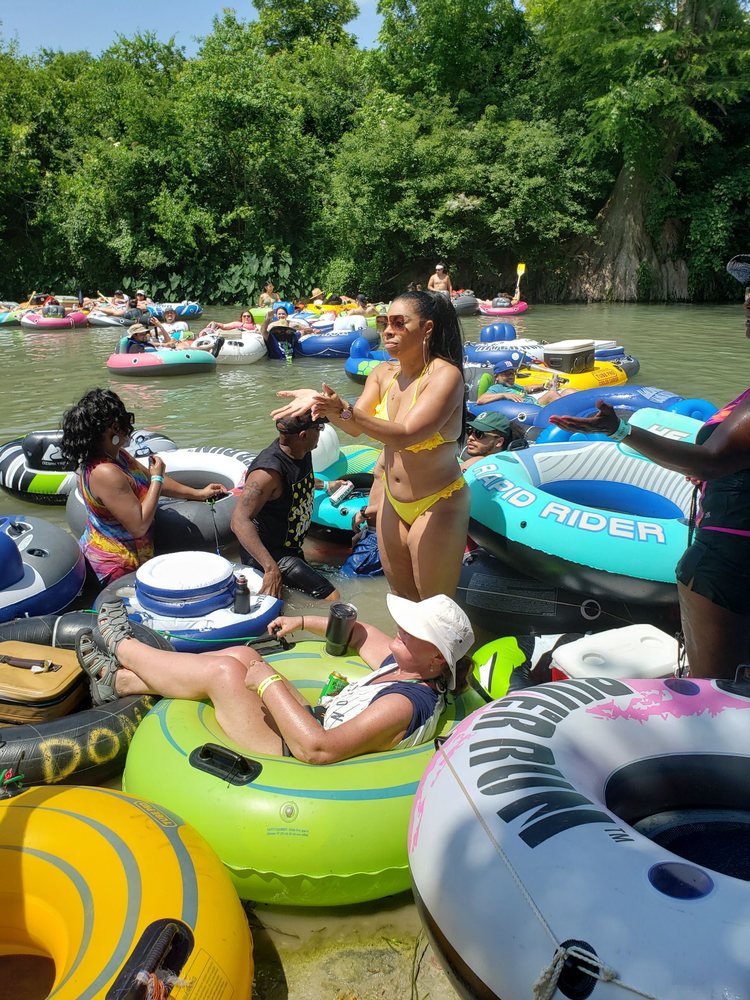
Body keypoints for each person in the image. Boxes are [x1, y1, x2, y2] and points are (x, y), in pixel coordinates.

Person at [546, 282, 750, 680]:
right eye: (746, 289)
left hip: (729, 558)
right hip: (733, 549)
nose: (747, 299)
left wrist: (619, 430)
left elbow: (711, 461)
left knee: (716, 693)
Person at [75, 592, 474, 760]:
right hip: (312, 720)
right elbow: (357, 632)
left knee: (224, 672)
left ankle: (124, 647)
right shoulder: (404, 664)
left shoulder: (404, 702)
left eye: (414, 631)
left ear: (437, 660)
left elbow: (318, 749)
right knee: (244, 654)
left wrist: (267, 683)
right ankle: (122, 682)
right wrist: (301, 620)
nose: (401, 629)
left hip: (292, 752)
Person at [271, 291, 470, 602]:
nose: (388, 330)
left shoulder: (445, 376)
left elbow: (406, 434)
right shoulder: (382, 373)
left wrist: (344, 408)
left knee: (434, 606)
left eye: (399, 323)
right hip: (393, 501)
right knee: (401, 598)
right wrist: (324, 405)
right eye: (384, 322)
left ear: (427, 329)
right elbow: (353, 426)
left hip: (437, 502)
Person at [59, 388, 226, 585]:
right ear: (112, 428)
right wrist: (157, 478)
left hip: (135, 559)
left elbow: (149, 479)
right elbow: (138, 526)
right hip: (114, 568)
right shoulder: (105, 473)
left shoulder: (119, 456)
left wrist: (198, 493)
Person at [230, 411, 342, 601]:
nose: (321, 432)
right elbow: (238, 521)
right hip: (271, 554)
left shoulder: (301, 451)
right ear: (303, 435)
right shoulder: (267, 473)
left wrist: (326, 485)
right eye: (319, 428)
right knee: (333, 597)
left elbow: (295, 482)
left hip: (290, 547)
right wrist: (270, 569)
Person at [476, 360, 572, 407]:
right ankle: (572, 416)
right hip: (533, 408)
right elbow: (480, 400)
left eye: (512, 373)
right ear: (496, 377)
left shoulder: (513, 386)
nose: (511, 376)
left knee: (568, 391)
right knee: (552, 394)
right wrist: (504, 395)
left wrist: (544, 386)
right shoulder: (497, 388)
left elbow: (526, 389)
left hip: (534, 402)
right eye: (506, 374)